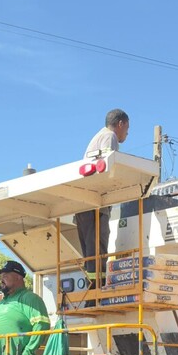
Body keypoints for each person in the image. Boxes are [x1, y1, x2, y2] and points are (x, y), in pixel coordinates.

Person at [75, 109, 130, 287]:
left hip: (85, 203)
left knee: (91, 251)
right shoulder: (109, 137)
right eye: (127, 129)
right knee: (98, 248)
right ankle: (96, 290)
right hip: (95, 203)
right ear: (120, 124)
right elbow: (107, 170)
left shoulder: (98, 137)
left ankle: (93, 289)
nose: (127, 134)